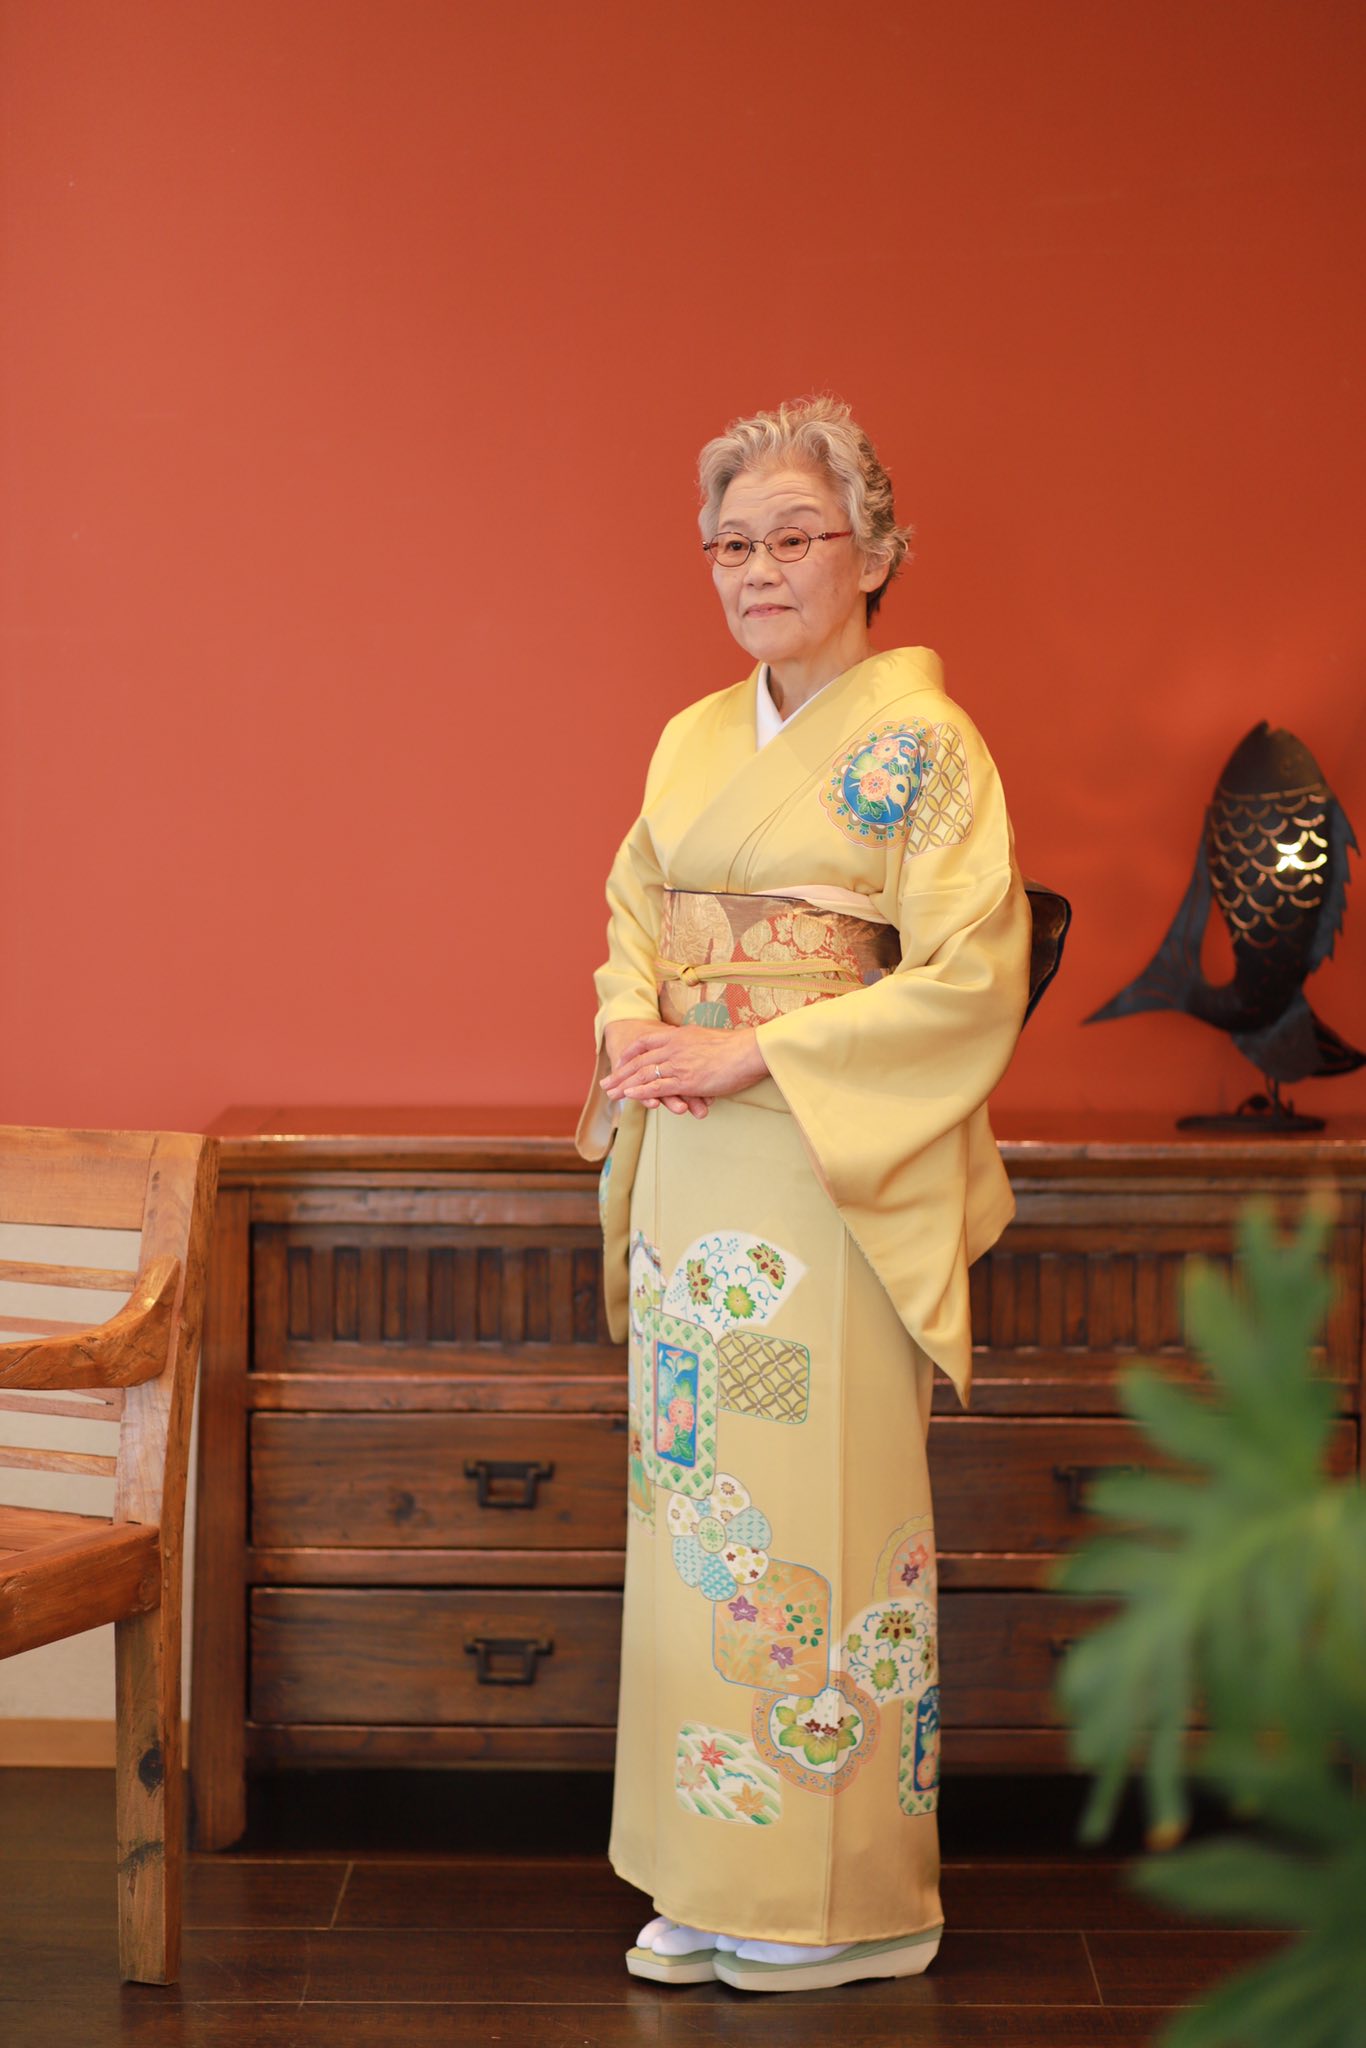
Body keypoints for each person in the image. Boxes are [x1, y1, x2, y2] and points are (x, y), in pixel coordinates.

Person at [575, 396, 1033, 1995]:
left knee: (820, 1507)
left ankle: (840, 1898)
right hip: (691, 1165)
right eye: (730, 544)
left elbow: (971, 972)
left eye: (792, 536)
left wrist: (752, 1054)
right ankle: (707, 1865)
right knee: (699, 1511)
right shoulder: (693, 737)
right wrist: (631, 1025)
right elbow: (633, 913)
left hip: (825, 1168)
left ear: (875, 552)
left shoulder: (927, 746)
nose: (756, 569)